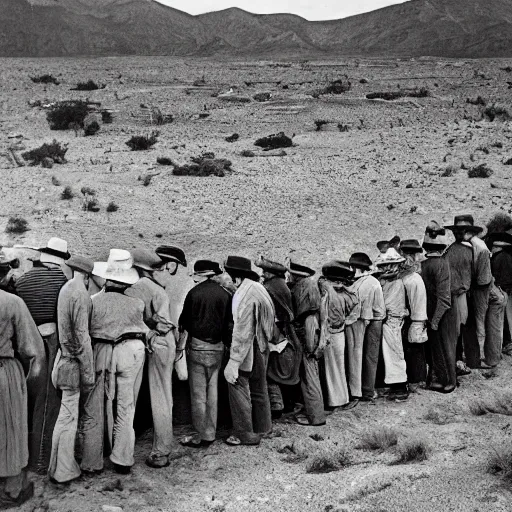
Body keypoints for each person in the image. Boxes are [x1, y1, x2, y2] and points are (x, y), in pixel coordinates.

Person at [81, 250, 149, 474]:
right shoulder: (137, 303)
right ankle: (122, 458)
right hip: (131, 351)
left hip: (101, 350)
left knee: (95, 406)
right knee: (126, 406)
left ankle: (92, 461)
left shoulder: (93, 302)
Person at [15, 237, 70, 472]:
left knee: (23, 399)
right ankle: (40, 458)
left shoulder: (22, 281)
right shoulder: (63, 281)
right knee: (47, 401)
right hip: (51, 342)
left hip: (24, 344)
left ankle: (19, 454)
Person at [125, 248, 177, 468]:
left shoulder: (138, 288)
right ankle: (161, 446)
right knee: (164, 394)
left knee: (160, 397)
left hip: (158, 341)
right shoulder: (156, 287)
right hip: (166, 341)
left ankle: (161, 451)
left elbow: (135, 316)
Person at [0, 267, 46, 508]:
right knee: (11, 430)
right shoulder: (12, 302)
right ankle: (12, 489)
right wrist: (29, 379)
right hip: (3, 371)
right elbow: (33, 349)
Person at [48, 255, 95, 484]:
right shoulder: (81, 294)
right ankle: (63, 470)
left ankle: (56, 466)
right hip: (73, 363)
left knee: (63, 417)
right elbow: (83, 338)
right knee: (69, 418)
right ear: (87, 276)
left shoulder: (66, 288)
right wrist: (89, 371)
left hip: (62, 359)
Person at [178, 260, 232, 448]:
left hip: (198, 347)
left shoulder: (193, 293)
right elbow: (229, 324)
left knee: (198, 394)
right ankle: (211, 432)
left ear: (201, 275)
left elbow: (183, 323)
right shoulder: (225, 295)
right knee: (213, 391)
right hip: (218, 347)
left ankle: (201, 434)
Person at [223, 256, 275, 446]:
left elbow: (242, 331)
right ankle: (264, 427)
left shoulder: (244, 296)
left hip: (249, 346)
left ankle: (244, 434)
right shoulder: (258, 288)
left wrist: (233, 362)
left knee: (238, 385)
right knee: (260, 389)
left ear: (235, 277)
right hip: (262, 344)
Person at [256, 256, 302, 419]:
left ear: (271, 273)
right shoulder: (281, 285)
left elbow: (275, 313)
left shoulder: (270, 286)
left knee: (272, 368)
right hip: (285, 330)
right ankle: (287, 404)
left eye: (265, 271)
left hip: (278, 331)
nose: (262, 274)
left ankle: (277, 405)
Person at [287, 260, 325, 426]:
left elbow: (301, 315)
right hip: (313, 328)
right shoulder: (310, 284)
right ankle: (314, 414)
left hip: (306, 329)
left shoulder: (301, 287)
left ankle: (316, 417)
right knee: (311, 373)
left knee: (308, 374)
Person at [317, 261, 358, 409]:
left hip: (330, 334)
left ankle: (335, 401)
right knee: (339, 368)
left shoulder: (328, 291)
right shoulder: (347, 294)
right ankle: (342, 398)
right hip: (340, 332)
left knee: (331, 368)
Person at [346, 253, 386, 403]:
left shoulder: (365, 283)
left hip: (368, 321)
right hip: (372, 319)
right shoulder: (370, 281)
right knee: (369, 356)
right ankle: (367, 389)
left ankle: (364, 389)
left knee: (362, 355)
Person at [443, 215, 479, 376]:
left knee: (456, 329)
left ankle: (458, 360)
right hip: (461, 294)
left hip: (453, 293)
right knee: (462, 328)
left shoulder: (450, 250)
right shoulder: (470, 250)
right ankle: (461, 361)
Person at [420, 223, 453, 392]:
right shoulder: (442, 264)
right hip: (441, 313)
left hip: (430, 312)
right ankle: (446, 381)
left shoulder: (423, 266)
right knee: (444, 347)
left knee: (437, 348)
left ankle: (444, 381)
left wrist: (433, 320)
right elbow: (445, 297)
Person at [375, 248, 409, 401]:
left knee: (394, 353)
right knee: (390, 354)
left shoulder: (396, 284)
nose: (386, 269)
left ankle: (400, 388)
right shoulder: (390, 282)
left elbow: (387, 305)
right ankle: (395, 386)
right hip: (390, 321)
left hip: (392, 321)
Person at [399, 240, 428, 388]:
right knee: (417, 349)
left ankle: (415, 380)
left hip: (413, 318)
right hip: (419, 317)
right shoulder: (416, 277)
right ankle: (419, 379)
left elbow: (408, 303)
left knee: (412, 350)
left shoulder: (409, 279)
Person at [466, 218, 493, 368]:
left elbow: (482, 278)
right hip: (480, 286)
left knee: (479, 321)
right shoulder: (478, 245)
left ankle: (480, 355)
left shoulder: (478, 247)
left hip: (479, 288)